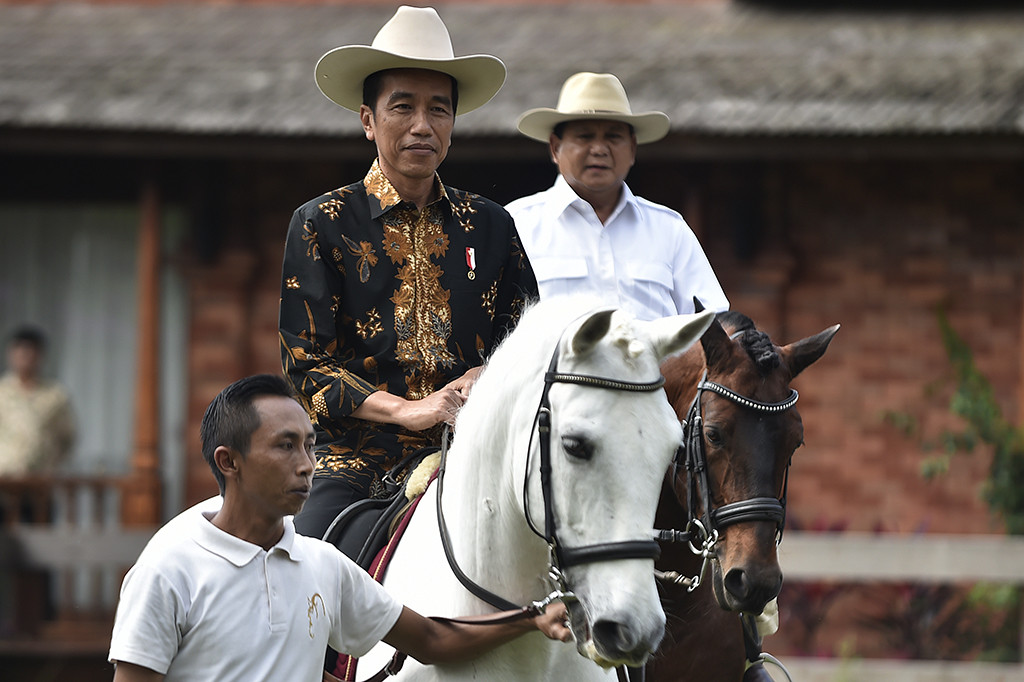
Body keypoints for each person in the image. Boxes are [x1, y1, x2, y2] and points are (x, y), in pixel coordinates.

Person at [108, 374, 569, 682]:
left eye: (310, 446)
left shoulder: (322, 564)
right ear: (229, 462)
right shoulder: (169, 568)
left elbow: (430, 639)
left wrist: (532, 618)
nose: (307, 465)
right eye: (285, 446)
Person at [279, 5, 537, 540]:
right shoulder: (321, 223)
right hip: (354, 462)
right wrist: (407, 410)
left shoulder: (492, 226)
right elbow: (308, 368)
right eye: (403, 107)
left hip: (478, 450)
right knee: (302, 570)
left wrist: (484, 377)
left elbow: (527, 343)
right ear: (368, 119)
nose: (423, 125)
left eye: (438, 110)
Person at [505, 71, 729, 321]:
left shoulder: (669, 229)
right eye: (585, 136)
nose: (600, 149)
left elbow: (714, 324)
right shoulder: (516, 225)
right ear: (555, 147)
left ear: (632, 149)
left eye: (613, 137)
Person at [0, 326, 75, 476]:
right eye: (20, 352)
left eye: (30, 353)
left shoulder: (54, 394)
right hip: (5, 477)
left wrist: (51, 463)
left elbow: (67, 437)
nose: (25, 358)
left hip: (40, 480)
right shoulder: (2, 391)